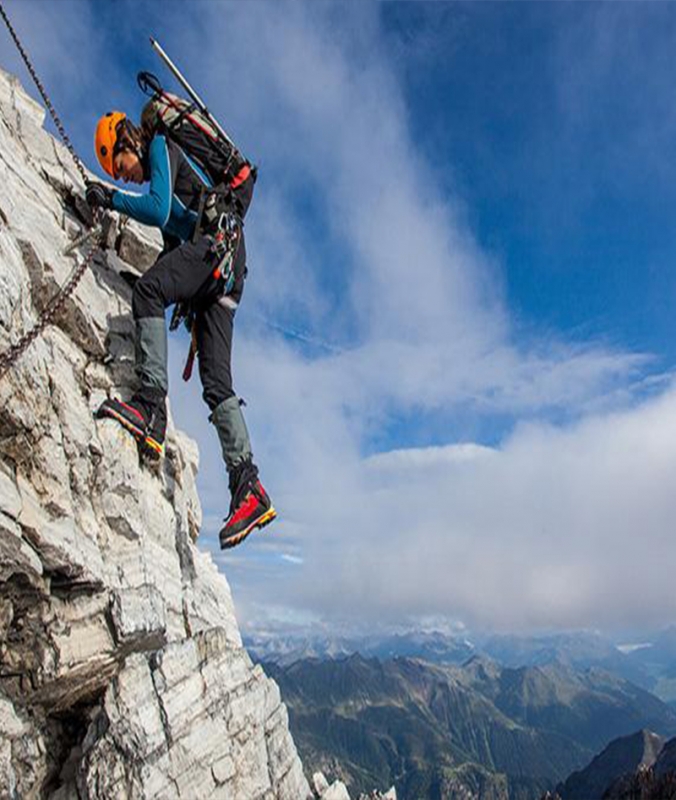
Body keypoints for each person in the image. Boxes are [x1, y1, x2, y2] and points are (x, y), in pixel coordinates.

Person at [86, 111, 276, 549]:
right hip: (227, 271)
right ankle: (248, 486)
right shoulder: (160, 168)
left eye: (120, 167)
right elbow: (173, 241)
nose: (125, 178)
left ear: (126, 143)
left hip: (215, 249)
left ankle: (150, 407)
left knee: (148, 292)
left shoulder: (157, 146)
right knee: (216, 383)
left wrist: (109, 199)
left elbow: (156, 208)